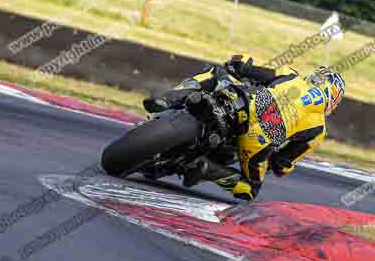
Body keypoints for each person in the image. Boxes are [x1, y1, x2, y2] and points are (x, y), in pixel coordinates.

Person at [143, 55, 345, 201]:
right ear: (333, 100)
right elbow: (281, 163)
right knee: (250, 189)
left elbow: (252, 71)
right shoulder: (319, 129)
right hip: (255, 142)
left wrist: (236, 66)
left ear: (315, 77)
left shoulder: (291, 75)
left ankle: (167, 99)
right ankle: (207, 169)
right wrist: (280, 162)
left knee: (213, 74)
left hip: (245, 102)